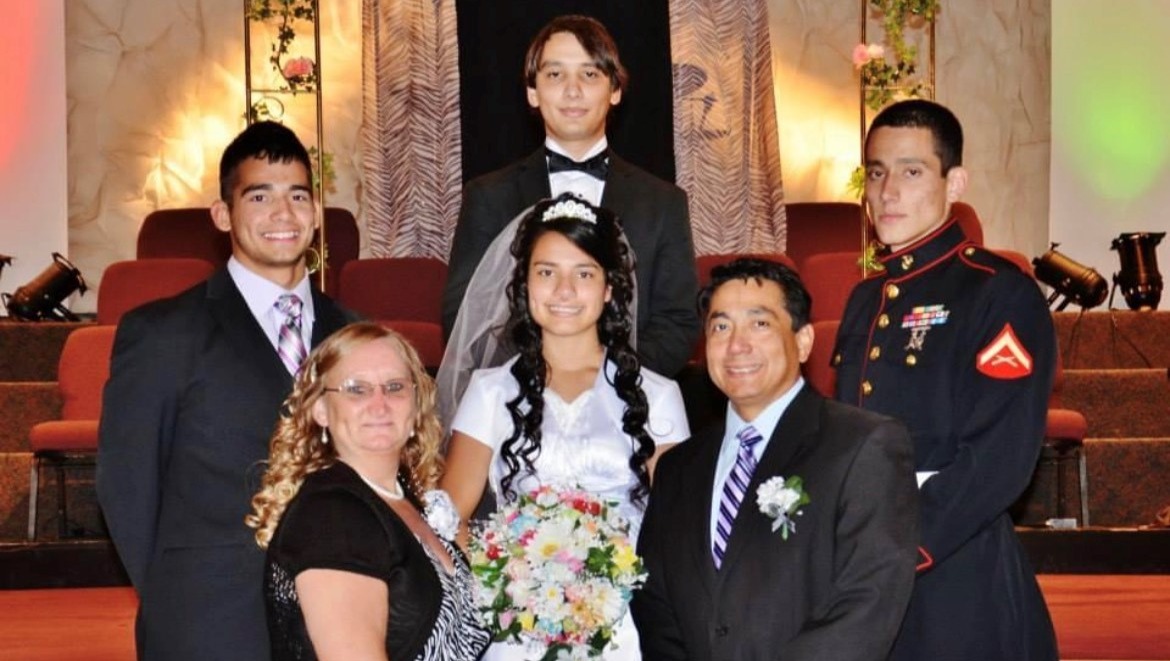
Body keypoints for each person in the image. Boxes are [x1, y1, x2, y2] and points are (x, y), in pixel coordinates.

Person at [96, 121, 358, 661]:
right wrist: (173, 598)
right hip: (208, 622)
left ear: (316, 213)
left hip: (339, 622)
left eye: (298, 196)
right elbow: (127, 485)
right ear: (223, 215)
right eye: (259, 196)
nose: (283, 214)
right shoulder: (164, 332)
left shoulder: (356, 334)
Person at [832, 99, 1059, 660]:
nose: (888, 192)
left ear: (953, 183)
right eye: (877, 173)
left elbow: (998, 458)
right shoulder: (866, 298)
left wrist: (901, 546)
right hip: (867, 560)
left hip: (952, 562)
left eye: (911, 172)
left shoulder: (996, 291)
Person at [440, 194, 690, 660]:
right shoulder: (490, 392)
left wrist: (608, 585)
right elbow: (448, 517)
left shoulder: (658, 395)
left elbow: (680, 529)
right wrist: (509, 579)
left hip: (628, 623)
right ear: (525, 283)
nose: (564, 291)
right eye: (546, 272)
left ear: (609, 288)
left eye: (584, 274)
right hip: (522, 625)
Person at [632, 257, 920, 660]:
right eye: (720, 327)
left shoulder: (862, 446)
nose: (737, 345)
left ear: (803, 341)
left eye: (760, 323)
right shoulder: (679, 467)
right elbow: (654, 599)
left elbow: (868, 600)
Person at [441, 14, 700, 378]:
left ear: (615, 90)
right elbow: (463, 316)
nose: (573, 90)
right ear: (533, 92)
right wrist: (541, 381)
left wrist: (609, 382)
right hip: (518, 393)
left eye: (590, 74)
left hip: (629, 395)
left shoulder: (664, 202)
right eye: (555, 74)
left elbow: (678, 320)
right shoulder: (487, 196)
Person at [246, 322, 489, 660]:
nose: (379, 404)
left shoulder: (404, 498)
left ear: (416, 403)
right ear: (320, 409)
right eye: (356, 389)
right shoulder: (332, 517)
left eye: (394, 387)